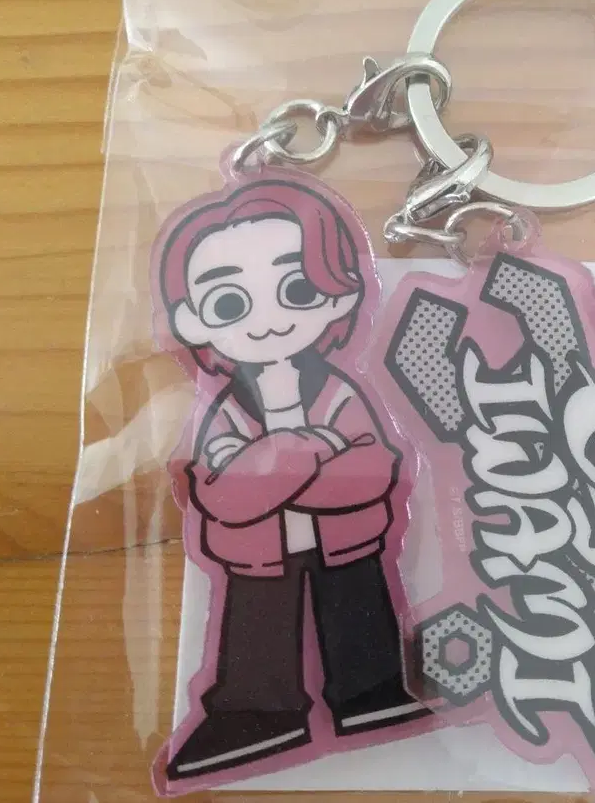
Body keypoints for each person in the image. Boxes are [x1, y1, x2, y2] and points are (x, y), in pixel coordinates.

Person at [155, 175, 427, 780]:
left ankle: (373, 693)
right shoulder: (227, 410)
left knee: (361, 618)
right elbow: (223, 495)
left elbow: (374, 470)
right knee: (256, 635)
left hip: (349, 545)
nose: (267, 322)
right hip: (256, 557)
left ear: (338, 295)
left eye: (297, 288)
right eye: (229, 304)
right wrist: (308, 450)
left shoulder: (337, 391)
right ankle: (257, 714)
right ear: (193, 320)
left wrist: (273, 471)